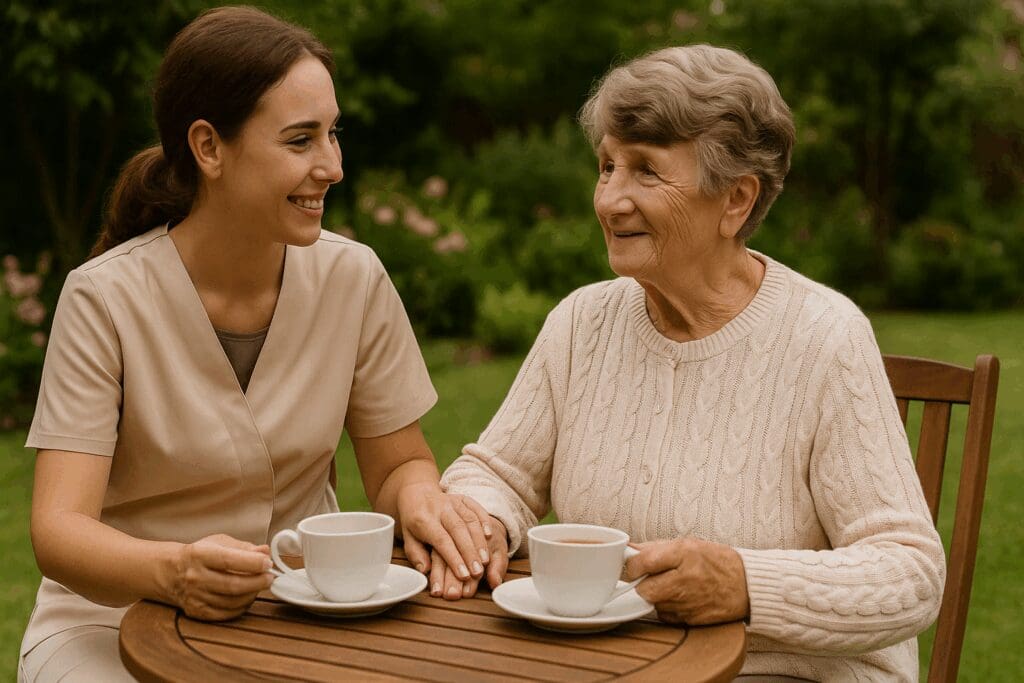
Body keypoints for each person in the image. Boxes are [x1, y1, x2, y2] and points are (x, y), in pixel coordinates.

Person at [438, 45, 945, 681]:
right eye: (606, 166)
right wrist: (476, 518)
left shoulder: (825, 338)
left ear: (735, 201)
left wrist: (745, 583)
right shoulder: (582, 322)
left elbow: (909, 570)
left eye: (645, 172)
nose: (610, 201)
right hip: (618, 665)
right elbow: (501, 474)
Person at [19, 7, 491, 682]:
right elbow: (58, 528)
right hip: (109, 623)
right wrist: (173, 570)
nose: (331, 166)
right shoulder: (104, 298)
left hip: (299, 612)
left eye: (333, 135)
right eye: (300, 141)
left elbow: (397, 466)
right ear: (209, 148)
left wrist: (419, 497)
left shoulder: (353, 277)